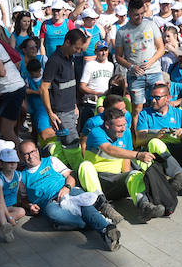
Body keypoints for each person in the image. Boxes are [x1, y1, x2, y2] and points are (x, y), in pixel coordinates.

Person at [17, 140, 120, 251]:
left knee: (83, 202)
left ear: (37, 151)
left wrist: (67, 187)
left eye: (33, 151)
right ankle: (102, 223)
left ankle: (105, 230)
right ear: (21, 156)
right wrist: (30, 206)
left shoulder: (51, 160)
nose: (31, 156)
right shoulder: (22, 177)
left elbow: (70, 176)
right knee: (53, 213)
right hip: (51, 203)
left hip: (68, 191)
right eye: (26, 154)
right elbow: (24, 199)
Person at [40, 28, 89, 167]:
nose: (79, 51)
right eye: (77, 48)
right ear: (67, 42)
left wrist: (74, 106)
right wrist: (50, 113)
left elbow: (70, 84)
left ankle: (61, 167)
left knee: (66, 142)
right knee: (72, 144)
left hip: (71, 109)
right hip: (61, 112)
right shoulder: (54, 61)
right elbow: (43, 88)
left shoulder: (70, 58)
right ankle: (79, 172)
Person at [115, 0, 165, 118]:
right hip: (135, 76)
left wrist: (151, 62)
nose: (140, 17)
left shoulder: (151, 25)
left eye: (142, 13)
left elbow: (161, 48)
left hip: (154, 72)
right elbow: (118, 57)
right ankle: (138, 135)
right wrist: (131, 67)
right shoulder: (122, 31)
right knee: (137, 108)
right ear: (129, 14)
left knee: (159, 104)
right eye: (136, 15)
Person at [78, 40, 115, 125]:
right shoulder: (90, 65)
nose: (103, 53)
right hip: (91, 103)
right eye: (101, 50)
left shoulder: (111, 65)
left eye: (105, 50)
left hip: (106, 104)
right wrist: (96, 93)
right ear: (95, 52)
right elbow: (82, 86)